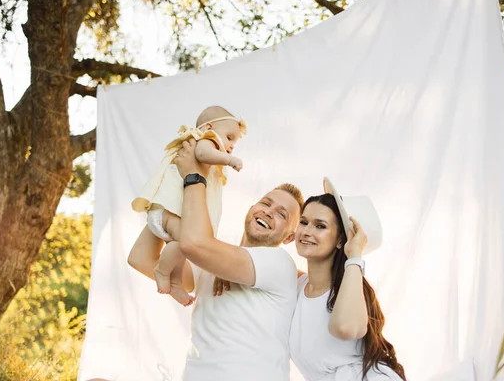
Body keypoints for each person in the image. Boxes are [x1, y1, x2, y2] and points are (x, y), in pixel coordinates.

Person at [129, 137, 304, 381]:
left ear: (289, 237)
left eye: (281, 214)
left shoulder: (280, 265)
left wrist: (194, 175)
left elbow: (195, 243)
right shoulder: (209, 260)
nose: (268, 211)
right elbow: (141, 258)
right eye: (266, 203)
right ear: (252, 207)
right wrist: (173, 189)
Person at [129, 105, 246, 306]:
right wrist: (229, 159)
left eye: (233, 142)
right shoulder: (206, 140)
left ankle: (175, 282)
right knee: (187, 243)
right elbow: (201, 154)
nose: (231, 145)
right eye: (229, 137)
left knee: (184, 246)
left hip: (166, 215)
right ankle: (162, 271)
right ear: (209, 127)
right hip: (166, 213)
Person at [290, 191, 406, 380]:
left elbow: (345, 328)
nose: (306, 231)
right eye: (303, 222)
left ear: (340, 241)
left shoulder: (348, 292)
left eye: (320, 226)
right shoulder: (297, 285)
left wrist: (354, 256)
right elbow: (257, 269)